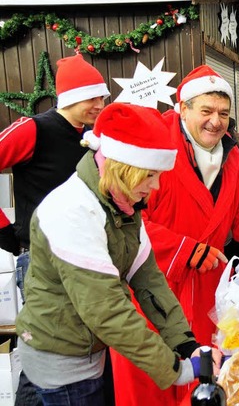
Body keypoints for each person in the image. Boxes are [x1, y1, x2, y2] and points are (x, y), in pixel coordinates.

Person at [111, 65, 239, 406]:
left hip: (208, 295)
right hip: (151, 290)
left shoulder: (233, 157)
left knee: (203, 385)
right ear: (182, 108)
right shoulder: (150, 148)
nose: (216, 122)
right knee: (147, 387)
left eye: (223, 113)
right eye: (206, 111)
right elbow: (122, 216)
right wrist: (182, 248)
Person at [14, 103, 206, 405]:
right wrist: (175, 370)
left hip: (89, 349)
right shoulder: (72, 210)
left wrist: (185, 343)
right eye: (150, 175)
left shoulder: (121, 202)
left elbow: (148, 280)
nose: (155, 186)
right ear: (123, 168)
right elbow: (107, 311)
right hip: (61, 358)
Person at [0, 53, 111, 406]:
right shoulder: (34, 128)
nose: (100, 103)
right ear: (69, 98)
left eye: (102, 96)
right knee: (45, 357)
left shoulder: (93, 137)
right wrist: (4, 228)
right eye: (92, 97)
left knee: (84, 359)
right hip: (44, 262)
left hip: (91, 260)